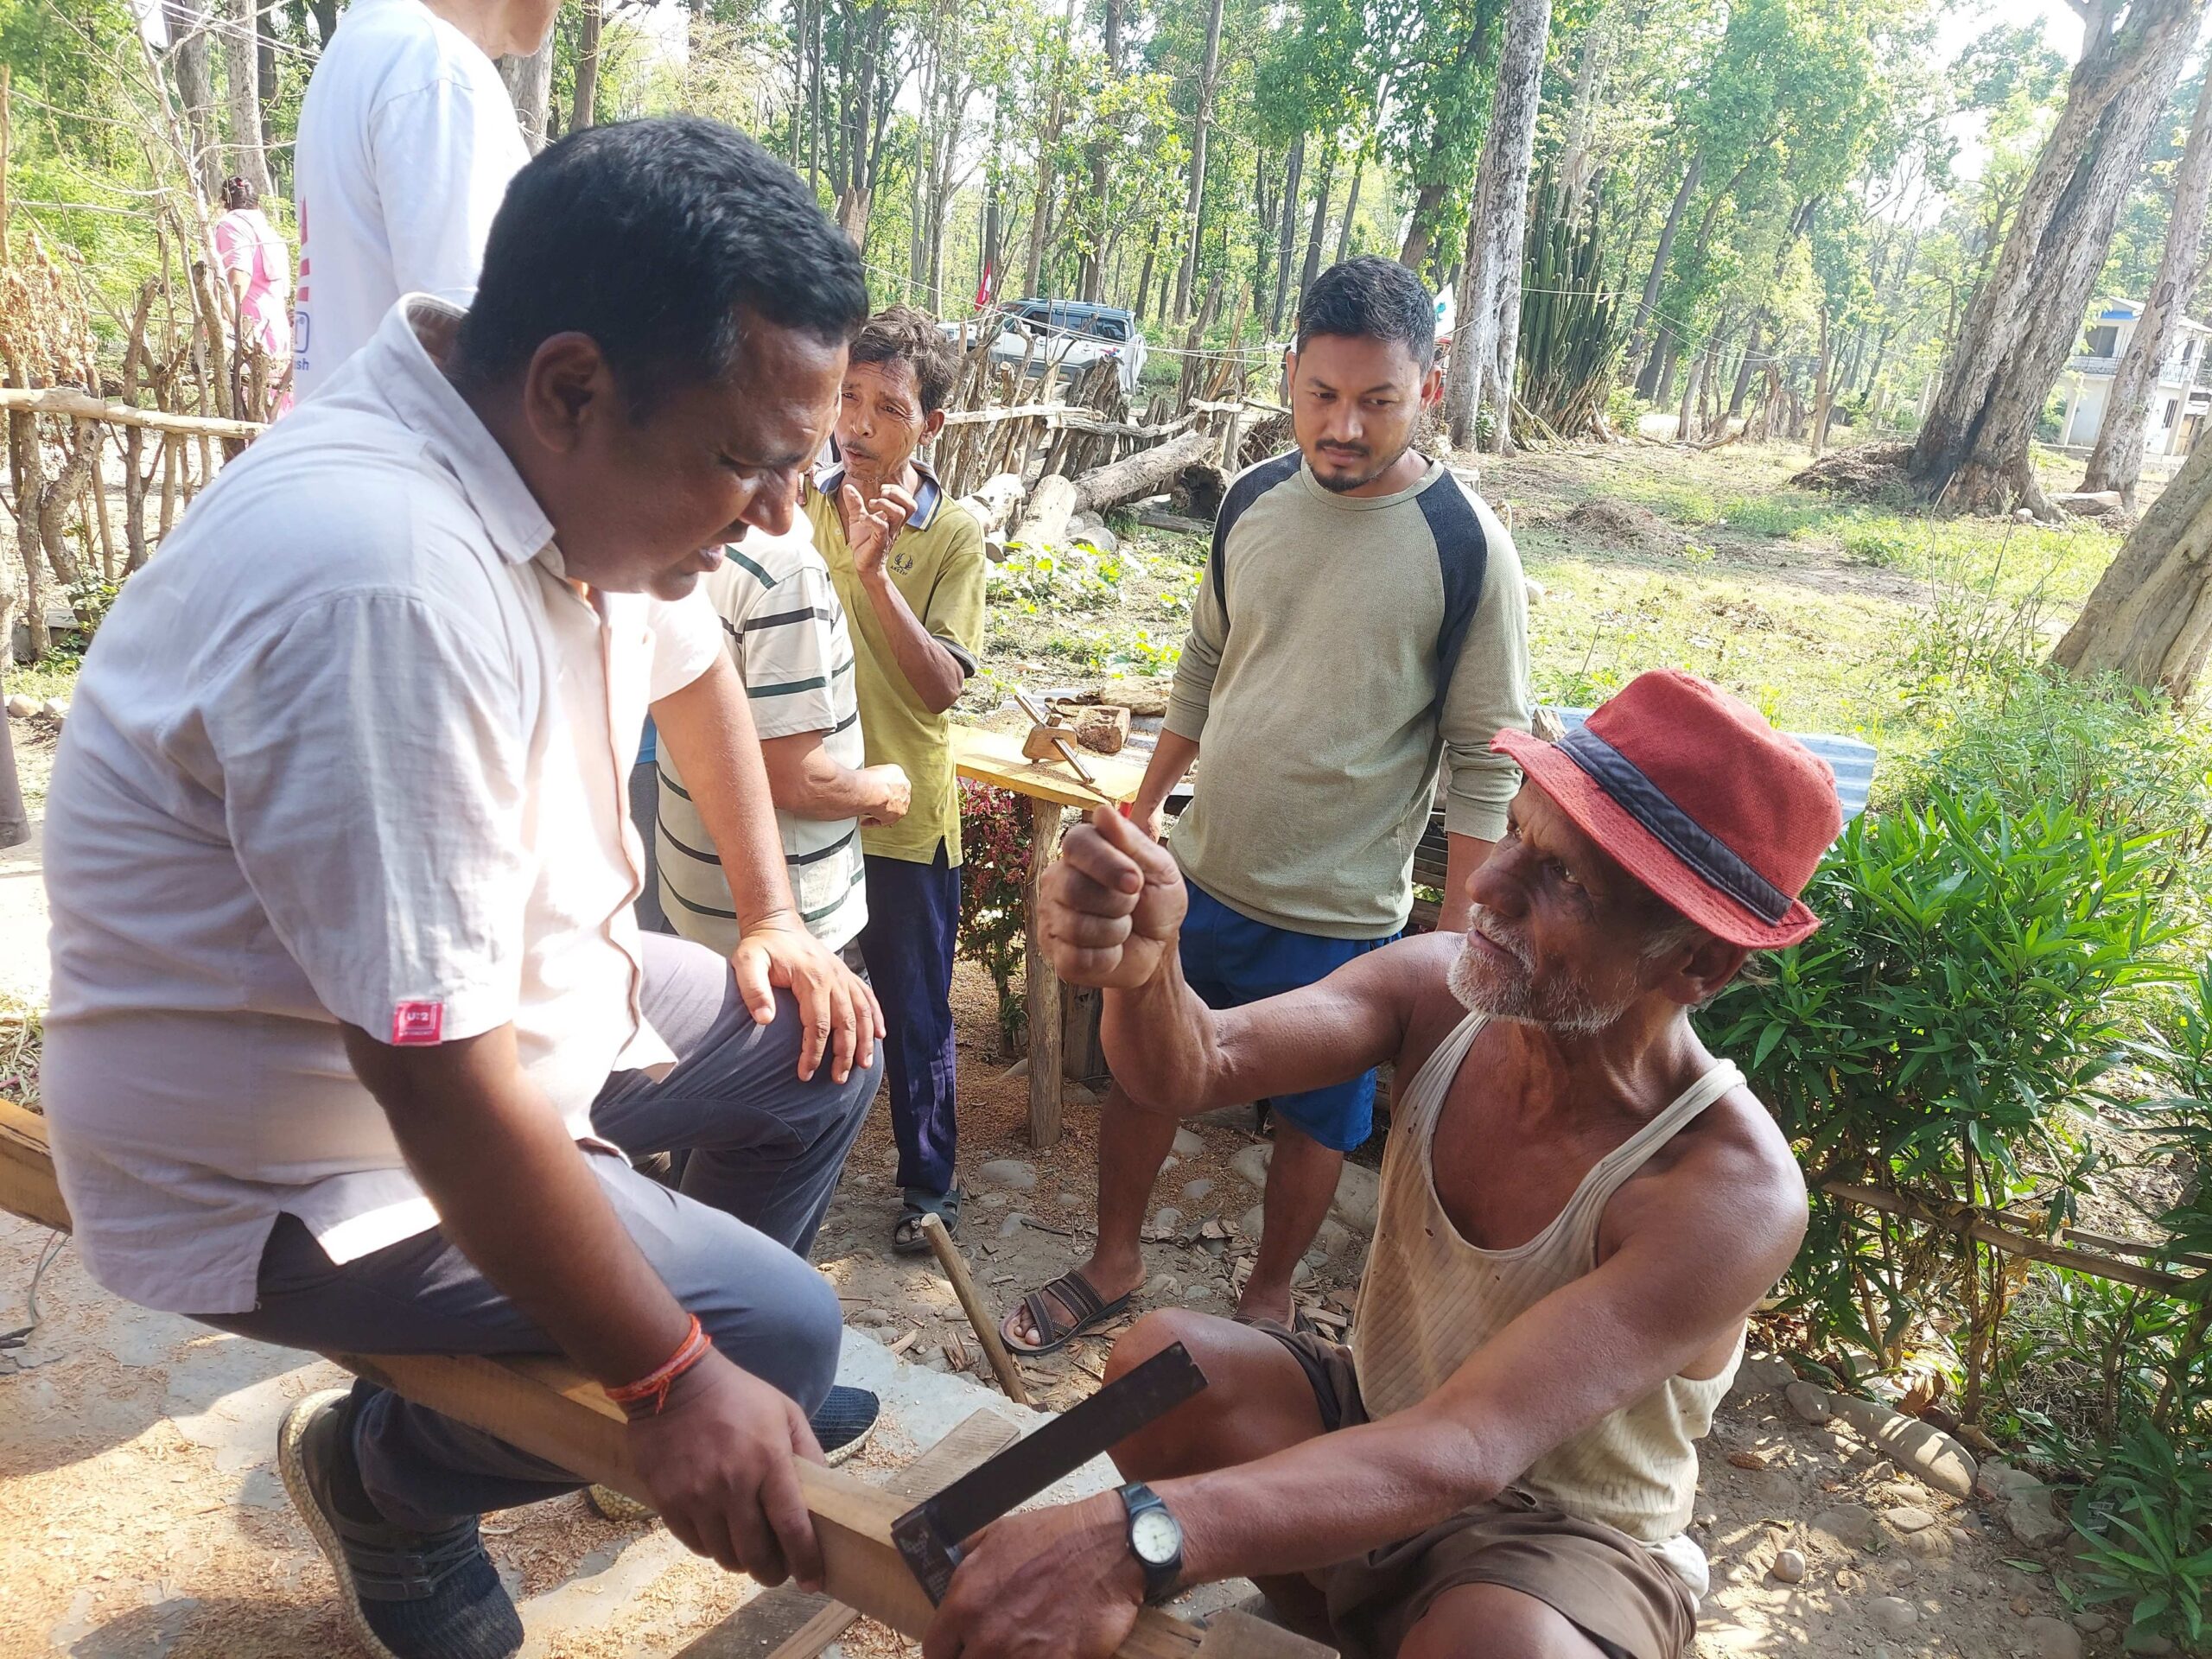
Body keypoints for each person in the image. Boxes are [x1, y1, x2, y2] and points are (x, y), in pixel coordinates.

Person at [41, 119, 886, 1659]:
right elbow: (428, 1074)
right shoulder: (387, 583)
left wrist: (768, 919)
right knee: (776, 1330)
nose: (779, 517)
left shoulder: (567, 485)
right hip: (290, 1155)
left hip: (509, 1018)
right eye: (752, 463)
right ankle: (389, 1478)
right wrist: (674, 1377)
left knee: (822, 1043)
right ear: (570, 385)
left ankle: (596, 1333)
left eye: (798, 467)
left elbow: (698, 683)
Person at [929, 669, 1836, 1659]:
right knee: (1163, 1365)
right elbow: (1196, 1064)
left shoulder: (1724, 1191)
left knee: (1504, 1647)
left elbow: (1470, 1448)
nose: (1488, 886)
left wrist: (1138, 1536)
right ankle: (1353, 1625)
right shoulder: (1438, 995)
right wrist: (1146, 969)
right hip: (1387, 1422)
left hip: (1560, 1533)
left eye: (1563, 878)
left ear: (1698, 964)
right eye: (1518, 837)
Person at [1005, 255, 1531, 1353]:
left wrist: (1450, 948)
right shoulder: (1250, 499)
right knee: (1147, 1075)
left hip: (1341, 915)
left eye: (1376, 402)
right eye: (1323, 396)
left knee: (1316, 1118)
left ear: (1426, 389)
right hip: (1200, 876)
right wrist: (1147, 814)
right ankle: (1114, 1260)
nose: (1344, 426)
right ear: (1288, 375)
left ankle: (1267, 1300)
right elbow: (1202, 663)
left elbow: (1487, 757)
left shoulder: (1468, 547)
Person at [804, 306, 987, 1254]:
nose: (860, 424)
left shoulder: (951, 534)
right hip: (809, 803)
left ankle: (927, 1186)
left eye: (887, 406)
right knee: (808, 998)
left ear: (930, 426)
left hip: (904, 818)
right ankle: (796, 1160)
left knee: (915, 1013)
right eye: (848, 397)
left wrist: (877, 579)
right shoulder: (800, 503)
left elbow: (941, 689)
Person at [658, 518, 910, 961]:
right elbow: (794, 779)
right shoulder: (787, 569)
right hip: (791, 925)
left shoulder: (677, 533)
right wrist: (879, 791)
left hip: (694, 899)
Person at [290, 0, 549, 401]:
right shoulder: (436, 66)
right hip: (412, 455)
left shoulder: (363, 48)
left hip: (352, 441)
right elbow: (477, 348)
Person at [213, 175, 293, 413]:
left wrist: (224, 321)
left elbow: (240, 276)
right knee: (276, 410)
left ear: (223, 202)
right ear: (256, 203)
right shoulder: (269, 232)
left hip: (251, 333)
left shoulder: (231, 225)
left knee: (251, 409)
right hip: (275, 329)